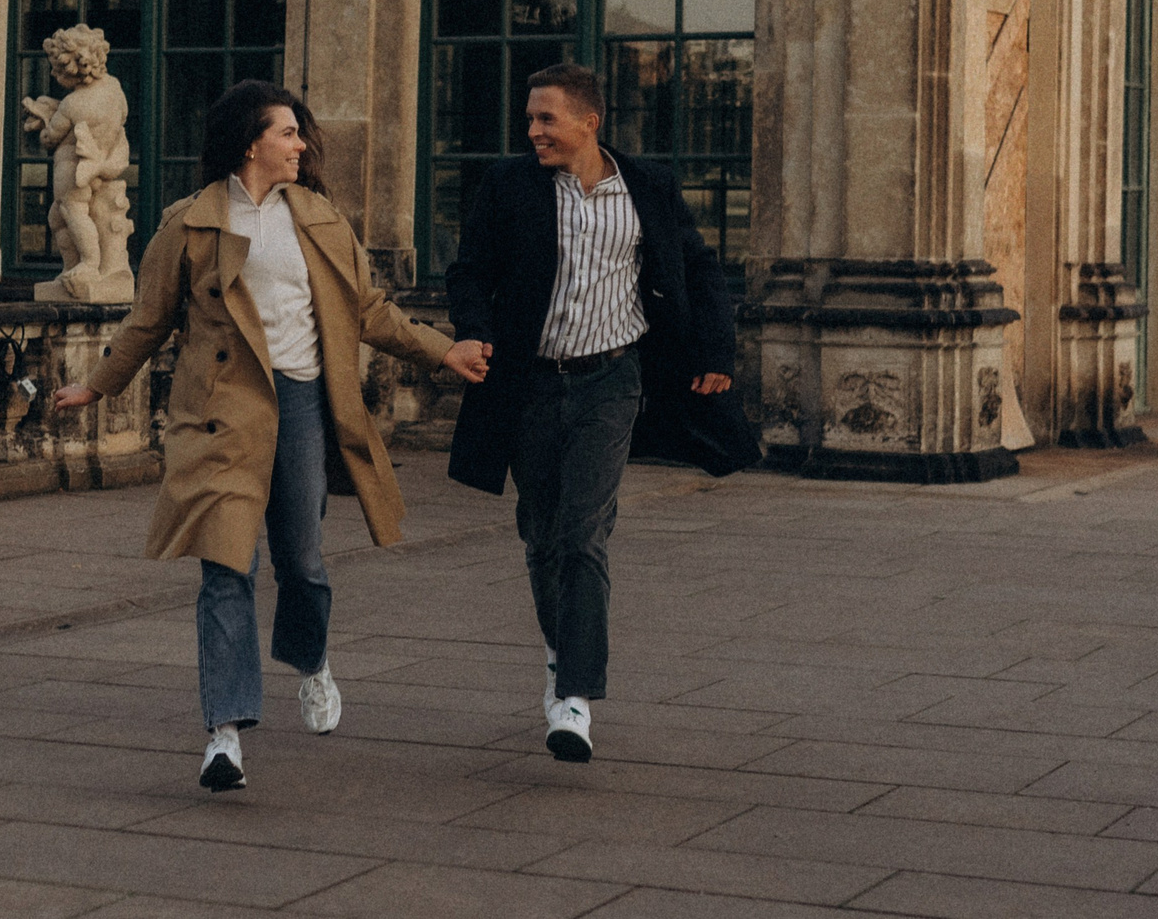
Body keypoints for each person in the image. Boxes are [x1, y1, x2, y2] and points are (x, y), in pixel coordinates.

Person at [56, 81, 491, 791]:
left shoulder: (319, 217)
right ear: (250, 143)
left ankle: (311, 660)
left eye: (298, 132)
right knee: (227, 567)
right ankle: (224, 733)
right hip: (223, 409)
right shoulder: (190, 224)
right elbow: (148, 319)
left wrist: (445, 351)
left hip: (304, 402)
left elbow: (370, 311)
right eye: (287, 132)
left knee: (303, 560)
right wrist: (96, 385)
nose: (300, 144)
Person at [444, 61, 751, 762]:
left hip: (612, 380)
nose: (533, 130)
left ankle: (575, 695)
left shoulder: (648, 187)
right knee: (542, 533)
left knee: (584, 532)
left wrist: (716, 348)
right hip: (529, 384)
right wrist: (471, 328)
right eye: (529, 118)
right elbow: (469, 271)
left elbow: (698, 267)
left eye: (546, 118)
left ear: (589, 121)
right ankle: (563, 652)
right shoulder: (509, 185)